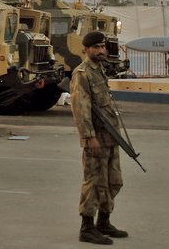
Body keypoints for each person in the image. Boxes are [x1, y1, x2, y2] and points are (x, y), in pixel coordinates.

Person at [69, 31, 128, 245]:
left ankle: (104, 221)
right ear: (86, 49)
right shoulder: (82, 73)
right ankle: (87, 227)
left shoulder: (100, 71)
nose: (101, 51)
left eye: (102, 47)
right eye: (96, 47)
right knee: (94, 182)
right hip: (95, 139)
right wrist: (89, 137)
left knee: (113, 181)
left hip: (110, 137)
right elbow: (80, 109)